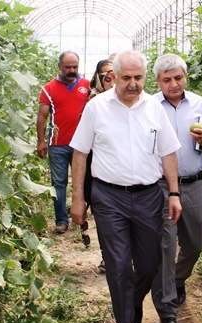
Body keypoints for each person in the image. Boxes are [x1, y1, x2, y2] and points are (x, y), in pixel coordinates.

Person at [69, 50, 182, 323]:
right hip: (109, 198)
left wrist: (173, 193)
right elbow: (79, 154)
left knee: (148, 265)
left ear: (145, 77)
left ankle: (129, 306)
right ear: (113, 77)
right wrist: (79, 199)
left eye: (138, 78)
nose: (133, 84)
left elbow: (168, 152)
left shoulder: (154, 109)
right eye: (126, 78)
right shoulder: (96, 109)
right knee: (118, 268)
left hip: (148, 196)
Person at [150, 53, 202, 323]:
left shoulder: (199, 104)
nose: (173, 84)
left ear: (185, 77)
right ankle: (167, 310)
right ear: (157, 82)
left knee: (195, 243)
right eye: (167, 80)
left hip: (193, 184)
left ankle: (178, 280)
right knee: (165, 246)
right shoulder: (149, 106)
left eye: (178, 78)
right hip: (160, 188)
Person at [36, 51, 90, 234]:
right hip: (57, 144)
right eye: (68, 67)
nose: (72, 70)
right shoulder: (49, 88)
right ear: (59, 66)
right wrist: (41, 141)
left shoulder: (87, 86)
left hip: (82, 145)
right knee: (59, 183)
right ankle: (61, 220)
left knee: (82, 182)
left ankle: (81, 217)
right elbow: (42, 116)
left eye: (75, 67)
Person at [84, 59, 115, 273]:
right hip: (96, 166)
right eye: (106, 76)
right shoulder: (93, 102)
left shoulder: (135, 101)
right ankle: (108, 257)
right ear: (98, 78)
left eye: (115, 75)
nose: (111, 81)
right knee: (103, 214)